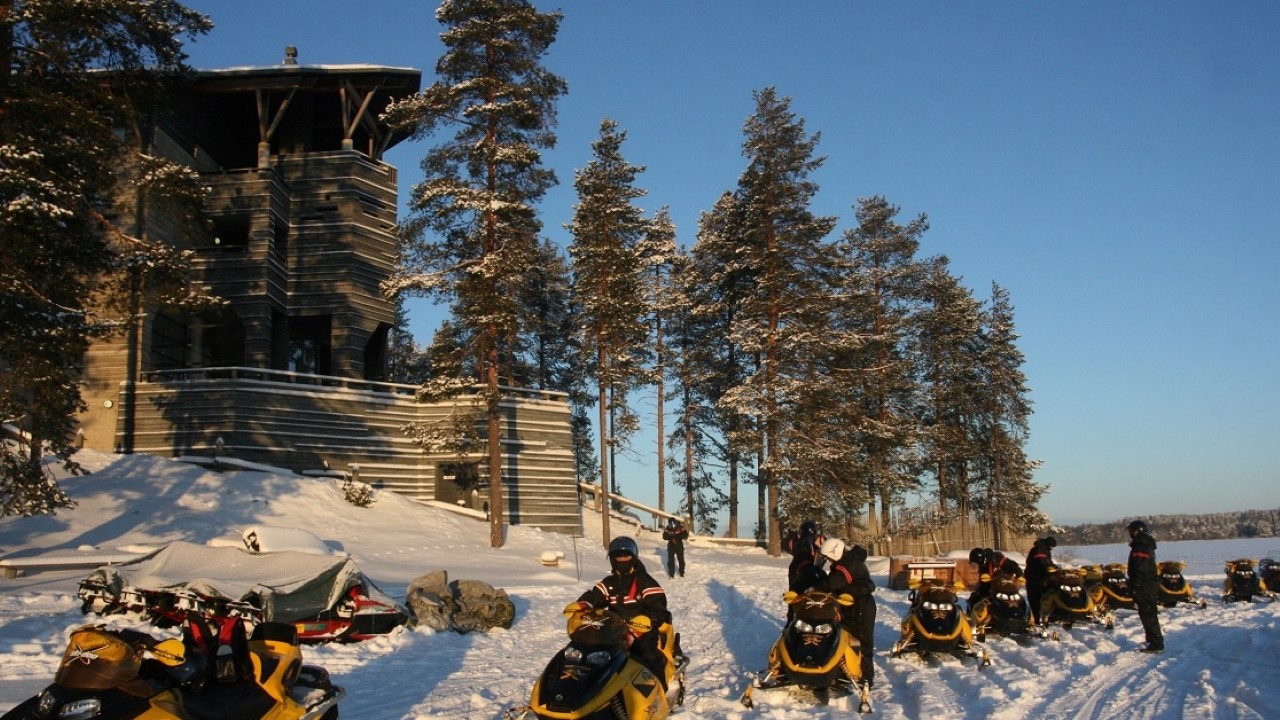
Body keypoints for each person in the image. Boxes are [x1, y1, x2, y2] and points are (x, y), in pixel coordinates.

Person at [566, 536, 678, 682]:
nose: (622, 560)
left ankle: (659, 691)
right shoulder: (609, 582)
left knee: (647, 654)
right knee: (585, 649)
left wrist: (648, 619)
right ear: (612, 559)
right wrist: (582, 604)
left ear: (633, 557)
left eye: (626, 556)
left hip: (641, 628)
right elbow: (595, 595)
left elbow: (659, 607)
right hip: (613, 628)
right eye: (618, 557)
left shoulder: (645, 582)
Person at [818, 538, 877, 688]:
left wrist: (816, 586)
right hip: (854, 604)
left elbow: (831, 584)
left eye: (829, 558)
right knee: (845, 636)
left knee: (861, 641)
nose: (829, 561)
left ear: (835, 553)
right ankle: (845, 670)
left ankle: (865, 678)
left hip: (860, 607)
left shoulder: (845, 566)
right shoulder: (849, 561)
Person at [1127, 520, 1164, 653]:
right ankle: (1154, 640)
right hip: (1147, 583)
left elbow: (1141, 566)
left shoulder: (1141, 545)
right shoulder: (1144, 543)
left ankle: (1156, 643)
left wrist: (1136, 583)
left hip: (1144, 584)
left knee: (1148, 614)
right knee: (1148, 614)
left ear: (1136, 531)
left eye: (1131, 531)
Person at [782, 520, 827, 593]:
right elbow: (786, 544)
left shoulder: (815, 544)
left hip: (805, 572)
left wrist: (821, 545)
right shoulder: (798, 543)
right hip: (801, 571)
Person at [1024, 536, 1057, 625]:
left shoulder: (1043, 549)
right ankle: (1037, 619)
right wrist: (1048, 573)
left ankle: (1043, 616)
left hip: (1038, 577)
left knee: (1043, 596)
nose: (1052, 549)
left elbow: (1048, 562)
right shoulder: (1040, 550)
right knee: (1036, 599)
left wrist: (1055, 568)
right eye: (1052, 547)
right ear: (1049, 545)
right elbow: (1041, 564)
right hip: (1034, 578)